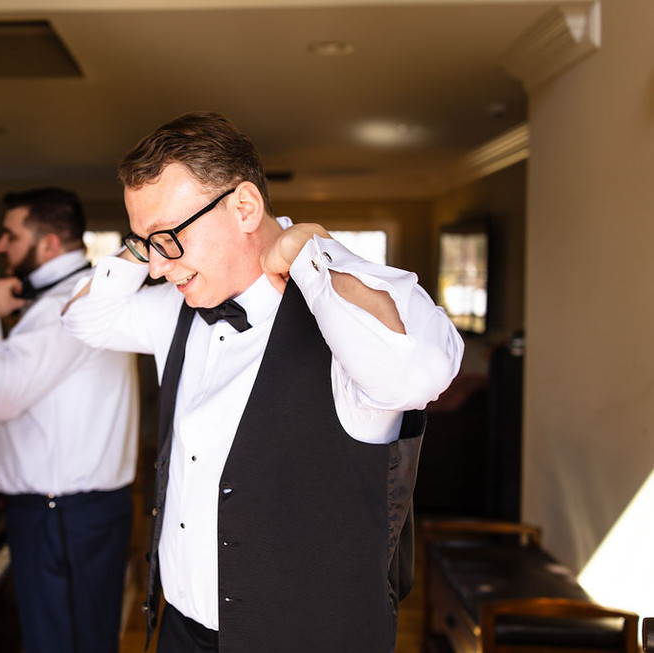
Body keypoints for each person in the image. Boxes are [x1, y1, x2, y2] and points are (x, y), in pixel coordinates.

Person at [61, 111, 465, 652]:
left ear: (245, 207)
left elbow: (421, 372)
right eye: (146, 246)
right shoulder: (173, 312)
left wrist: (313, 252)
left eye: (167, 238)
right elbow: (81, 320)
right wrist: (139, 246)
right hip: (180, 630)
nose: (157, 268)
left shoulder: (338, 319)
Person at [0, 187, 139, 653]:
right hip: (69, 513)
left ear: (48, 245)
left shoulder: (63, 304)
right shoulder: (80, 296)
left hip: (60, 515)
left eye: (9, 235)